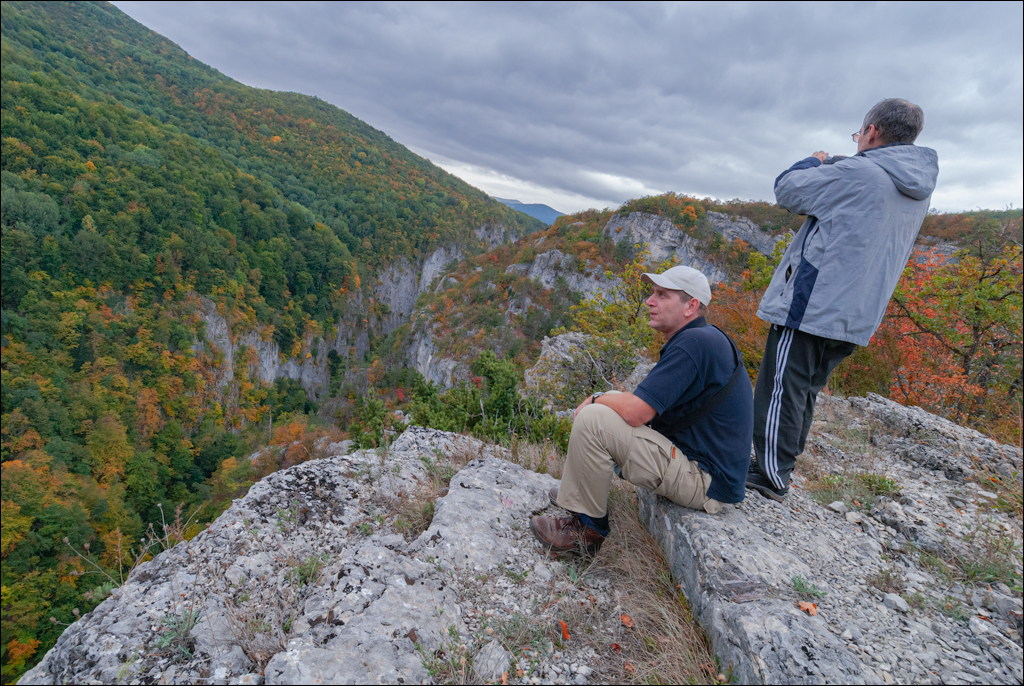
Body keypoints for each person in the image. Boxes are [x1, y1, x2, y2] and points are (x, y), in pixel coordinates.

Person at [746, 98, 939, 502]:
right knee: (805, 389)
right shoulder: (916, 189)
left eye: (859, 134)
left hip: (814, 302)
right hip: (857, 311)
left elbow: (787, 190)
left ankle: (770, 474)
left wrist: (814, 161)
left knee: (782, 384)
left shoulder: (861, 171)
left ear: (871, 131)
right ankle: (779, 464)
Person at [529, 265, 754, 554]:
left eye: (662, 295)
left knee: (594, 418)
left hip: (704, 482)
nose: (650, 300)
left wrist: (595, 399)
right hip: (708, 469)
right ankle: (579, 492)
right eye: (653, 293)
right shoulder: (703, 338)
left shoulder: (693, 345)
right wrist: (603, 397)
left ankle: (587, 529)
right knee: (610, 399)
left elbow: (637, 413)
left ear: (691, 306)